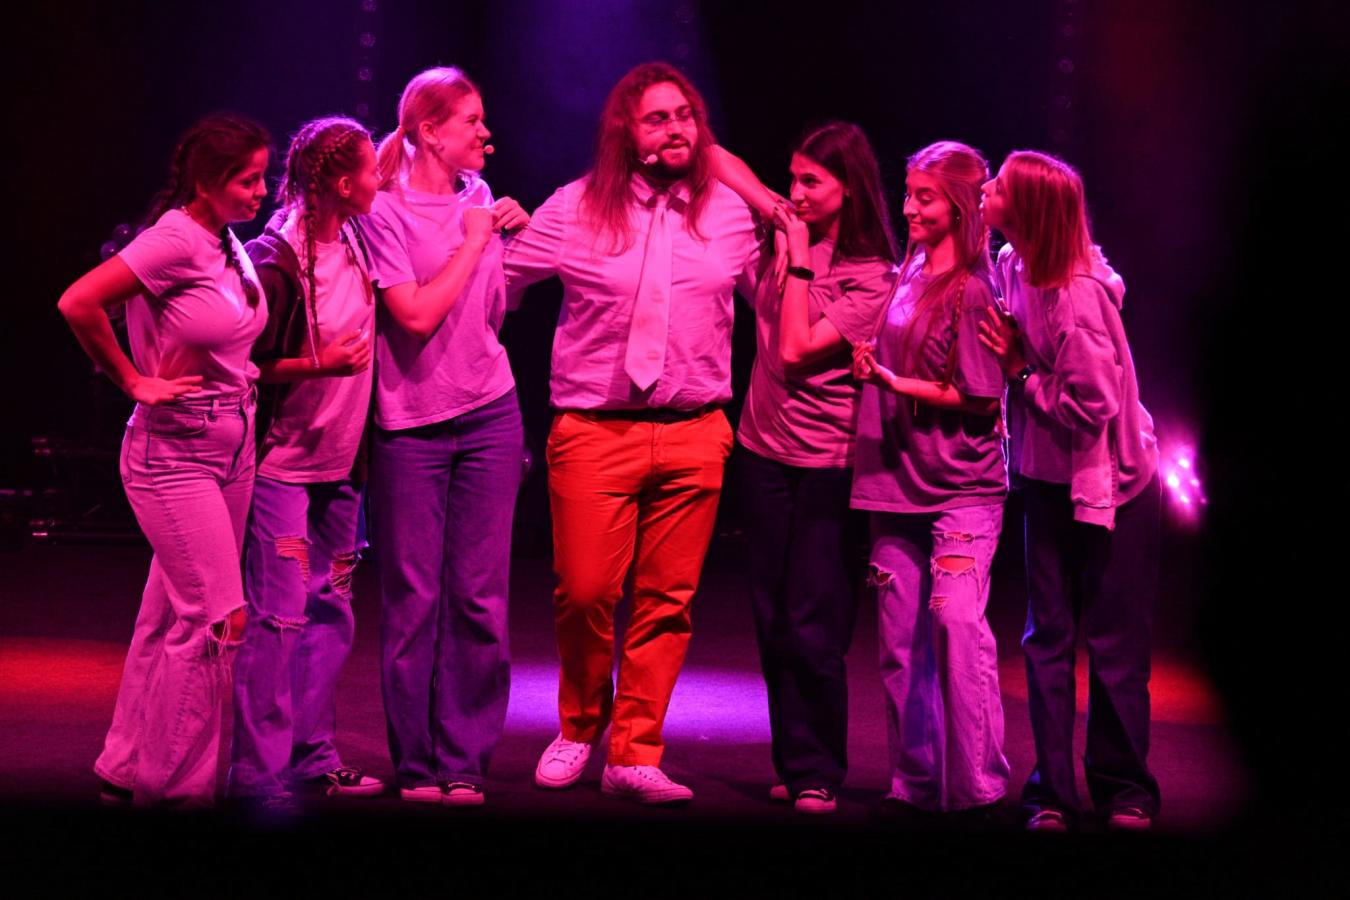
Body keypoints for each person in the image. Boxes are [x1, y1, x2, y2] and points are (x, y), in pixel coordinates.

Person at [503, 61, 761, 805]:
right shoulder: (574, 207)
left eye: (685, 115)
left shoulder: (730, 213)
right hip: (594, 429)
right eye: (658, 118)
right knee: (585, 592)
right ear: (625, 131)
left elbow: (777, 310)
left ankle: (635, 752)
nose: (676, 128)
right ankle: (580, 726)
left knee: (667, 601)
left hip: (694, 429)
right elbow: (497, 284)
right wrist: (477, 230)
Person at [58, 113, 271, 807]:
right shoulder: (174, 239)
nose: (260, 191)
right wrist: (133, 380)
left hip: (233, 444)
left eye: (263, 177)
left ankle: (126, 769)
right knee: (217, 622)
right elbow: (78, 302)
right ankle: (175, 795)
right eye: (247, 180)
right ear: (207, 183)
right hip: (173, 451)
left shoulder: (224, 240)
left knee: (169, 617)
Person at [712, 123, 899, 814]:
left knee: (814, 620)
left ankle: (820, 768)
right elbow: (712, 155)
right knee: (771, 616)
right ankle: (795, 765)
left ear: (849, 189)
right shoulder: (782, 234)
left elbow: (794, 350)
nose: (796, 192)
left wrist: (795, 260)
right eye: (792, 177)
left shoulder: (872, 277)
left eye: (811, 181)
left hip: (828, 464)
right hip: (763, 454)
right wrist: (773, 205)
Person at [360, 66, 529, 807]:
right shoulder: (381, 209)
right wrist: (474, 240)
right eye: (472, 120)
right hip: (411, 423)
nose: (486, 133)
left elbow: (490, 311)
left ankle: (464, 758)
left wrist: (509, 239)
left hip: (490, 410)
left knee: (480, 597)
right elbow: (416, 316)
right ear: (430, 131)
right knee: (413, 599)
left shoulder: (479, 197)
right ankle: (418, 763)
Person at [977, 150, 1160, 832]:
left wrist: (1023, 375)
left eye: (999, 185)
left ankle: (1126, 790)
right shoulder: (1013, 263)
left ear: (1027, 210)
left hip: (1113, 485)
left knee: (1113, 644)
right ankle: (1050, 791)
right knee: (1046, 639)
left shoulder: (1074, 295)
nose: (988, 188)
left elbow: (1095, 403)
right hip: (1048, 477)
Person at [226, 116, 384, 813]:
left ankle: (312, 757)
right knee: (280, 617)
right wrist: (322, 364)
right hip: (284, 468)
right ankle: (256, 773)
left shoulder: (357, 238)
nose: (381, 180)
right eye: (371, 171)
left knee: (331, 610)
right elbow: (245, 365)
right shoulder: (276, 262)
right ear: (343, 184)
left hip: (342, 470)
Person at [850, 141, 1010, 818]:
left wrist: (893, 382)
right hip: (894, 480)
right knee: (899, 643)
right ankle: (913, 786)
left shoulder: (973, 291)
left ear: (960, 207)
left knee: (955, 622)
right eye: (909, 193)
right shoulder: (909, 272)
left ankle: (977, 789)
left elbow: (979, 395)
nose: (910, 207)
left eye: (925, 197)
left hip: (961, 488)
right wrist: (873, 363)